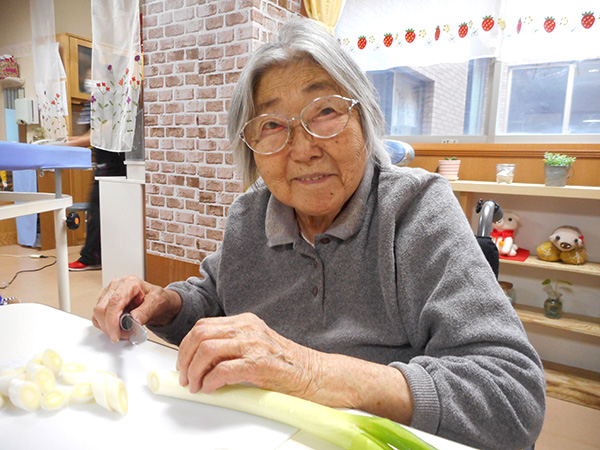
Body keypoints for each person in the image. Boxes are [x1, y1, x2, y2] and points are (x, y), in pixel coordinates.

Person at [92, 18, 545, 449]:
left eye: (325, 111)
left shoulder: (414, 209)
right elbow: (216, 298)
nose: (303, 149)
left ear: (364, 120)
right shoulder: (251, 214)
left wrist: (307, 371)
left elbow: (514, 394)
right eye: (272, 125)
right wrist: (166, 303)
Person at [66, 69, 126, 271]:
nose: (89, 79)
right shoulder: (93, 103)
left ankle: (91, 257)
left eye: (94, 75)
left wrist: (73, 144)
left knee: (100, 212)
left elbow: (106, 129)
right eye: (88, 74)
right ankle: (95, 255)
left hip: (114, 165)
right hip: (103, 165)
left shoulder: (114, 100)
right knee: (97, 211)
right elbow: (92, 132)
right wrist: (69, 141)